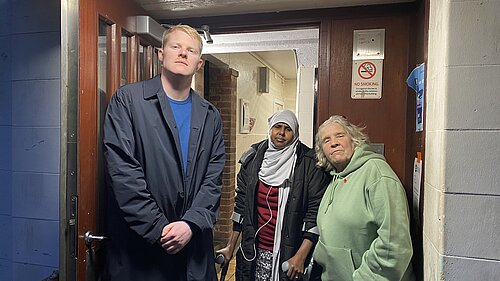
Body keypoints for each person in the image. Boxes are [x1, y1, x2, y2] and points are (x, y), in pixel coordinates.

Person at [102, 24, 225, 281]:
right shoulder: (128, 101)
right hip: (141, 251)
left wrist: (190, 224)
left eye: (191, 50)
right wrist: (161, 229)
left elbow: (212, 181)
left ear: (199, 63)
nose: (183, 54)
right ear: (161, 54)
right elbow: (123, 172)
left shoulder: (210, 115)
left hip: (193, 252)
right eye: (176, 47)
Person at [216, 109, 331, 281]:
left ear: (295, 133)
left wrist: (300, 256)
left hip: (290, 253)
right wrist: (230, 247)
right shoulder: (253, 159)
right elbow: (241, 206)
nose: (281, 133)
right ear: (270, 128)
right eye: (278, 127)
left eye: (288, 129)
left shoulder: (310, 164)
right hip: (254, 250)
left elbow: (313, 216)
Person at [313, 115, 415, 281]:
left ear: (354, 139)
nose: (334, 143)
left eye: (340, 135)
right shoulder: (336, 177)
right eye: (326, 140)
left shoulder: (377, 175)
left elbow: (394, 246)